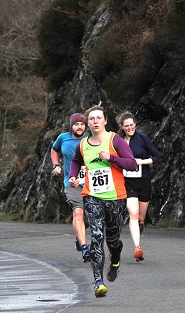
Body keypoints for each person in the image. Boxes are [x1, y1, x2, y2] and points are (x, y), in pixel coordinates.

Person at [68, 105, 137, 298]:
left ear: (105, 121)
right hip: (92, 196)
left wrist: (112, 158)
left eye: (99, 118)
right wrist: (73, 177)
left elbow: (131, 163)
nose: (95, 121)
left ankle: (115, 260)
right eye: (92, 119)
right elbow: (76, 161)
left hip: (115, 198)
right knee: (97, 236)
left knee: (113, 240)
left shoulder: (115, 140)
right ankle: (98, 281)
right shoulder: (82, 144)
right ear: (88, 123)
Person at [116, 111, 160, 262]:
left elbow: (156, 157)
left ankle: (142, 222)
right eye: (126, 126)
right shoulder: (119, 141)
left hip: (144, 181)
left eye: (131, 125)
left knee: (140, 216)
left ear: (135, 124)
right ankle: (137, 248)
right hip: (128, 182)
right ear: (122, 127)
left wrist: (139, 162)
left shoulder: (142, 138)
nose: (129, 128)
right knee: (133, 214)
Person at [51, 113, 90, 262]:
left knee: (89, 219)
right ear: (71, 126)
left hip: (91, 184)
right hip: (71, 183)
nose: (79, 127)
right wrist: (56, 165)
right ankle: (85, 248)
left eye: (82, 124)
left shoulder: (90, 138)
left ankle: (79, 237)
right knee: (78, 212)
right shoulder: (63, 137)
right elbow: (54, 150)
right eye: (76, 124)